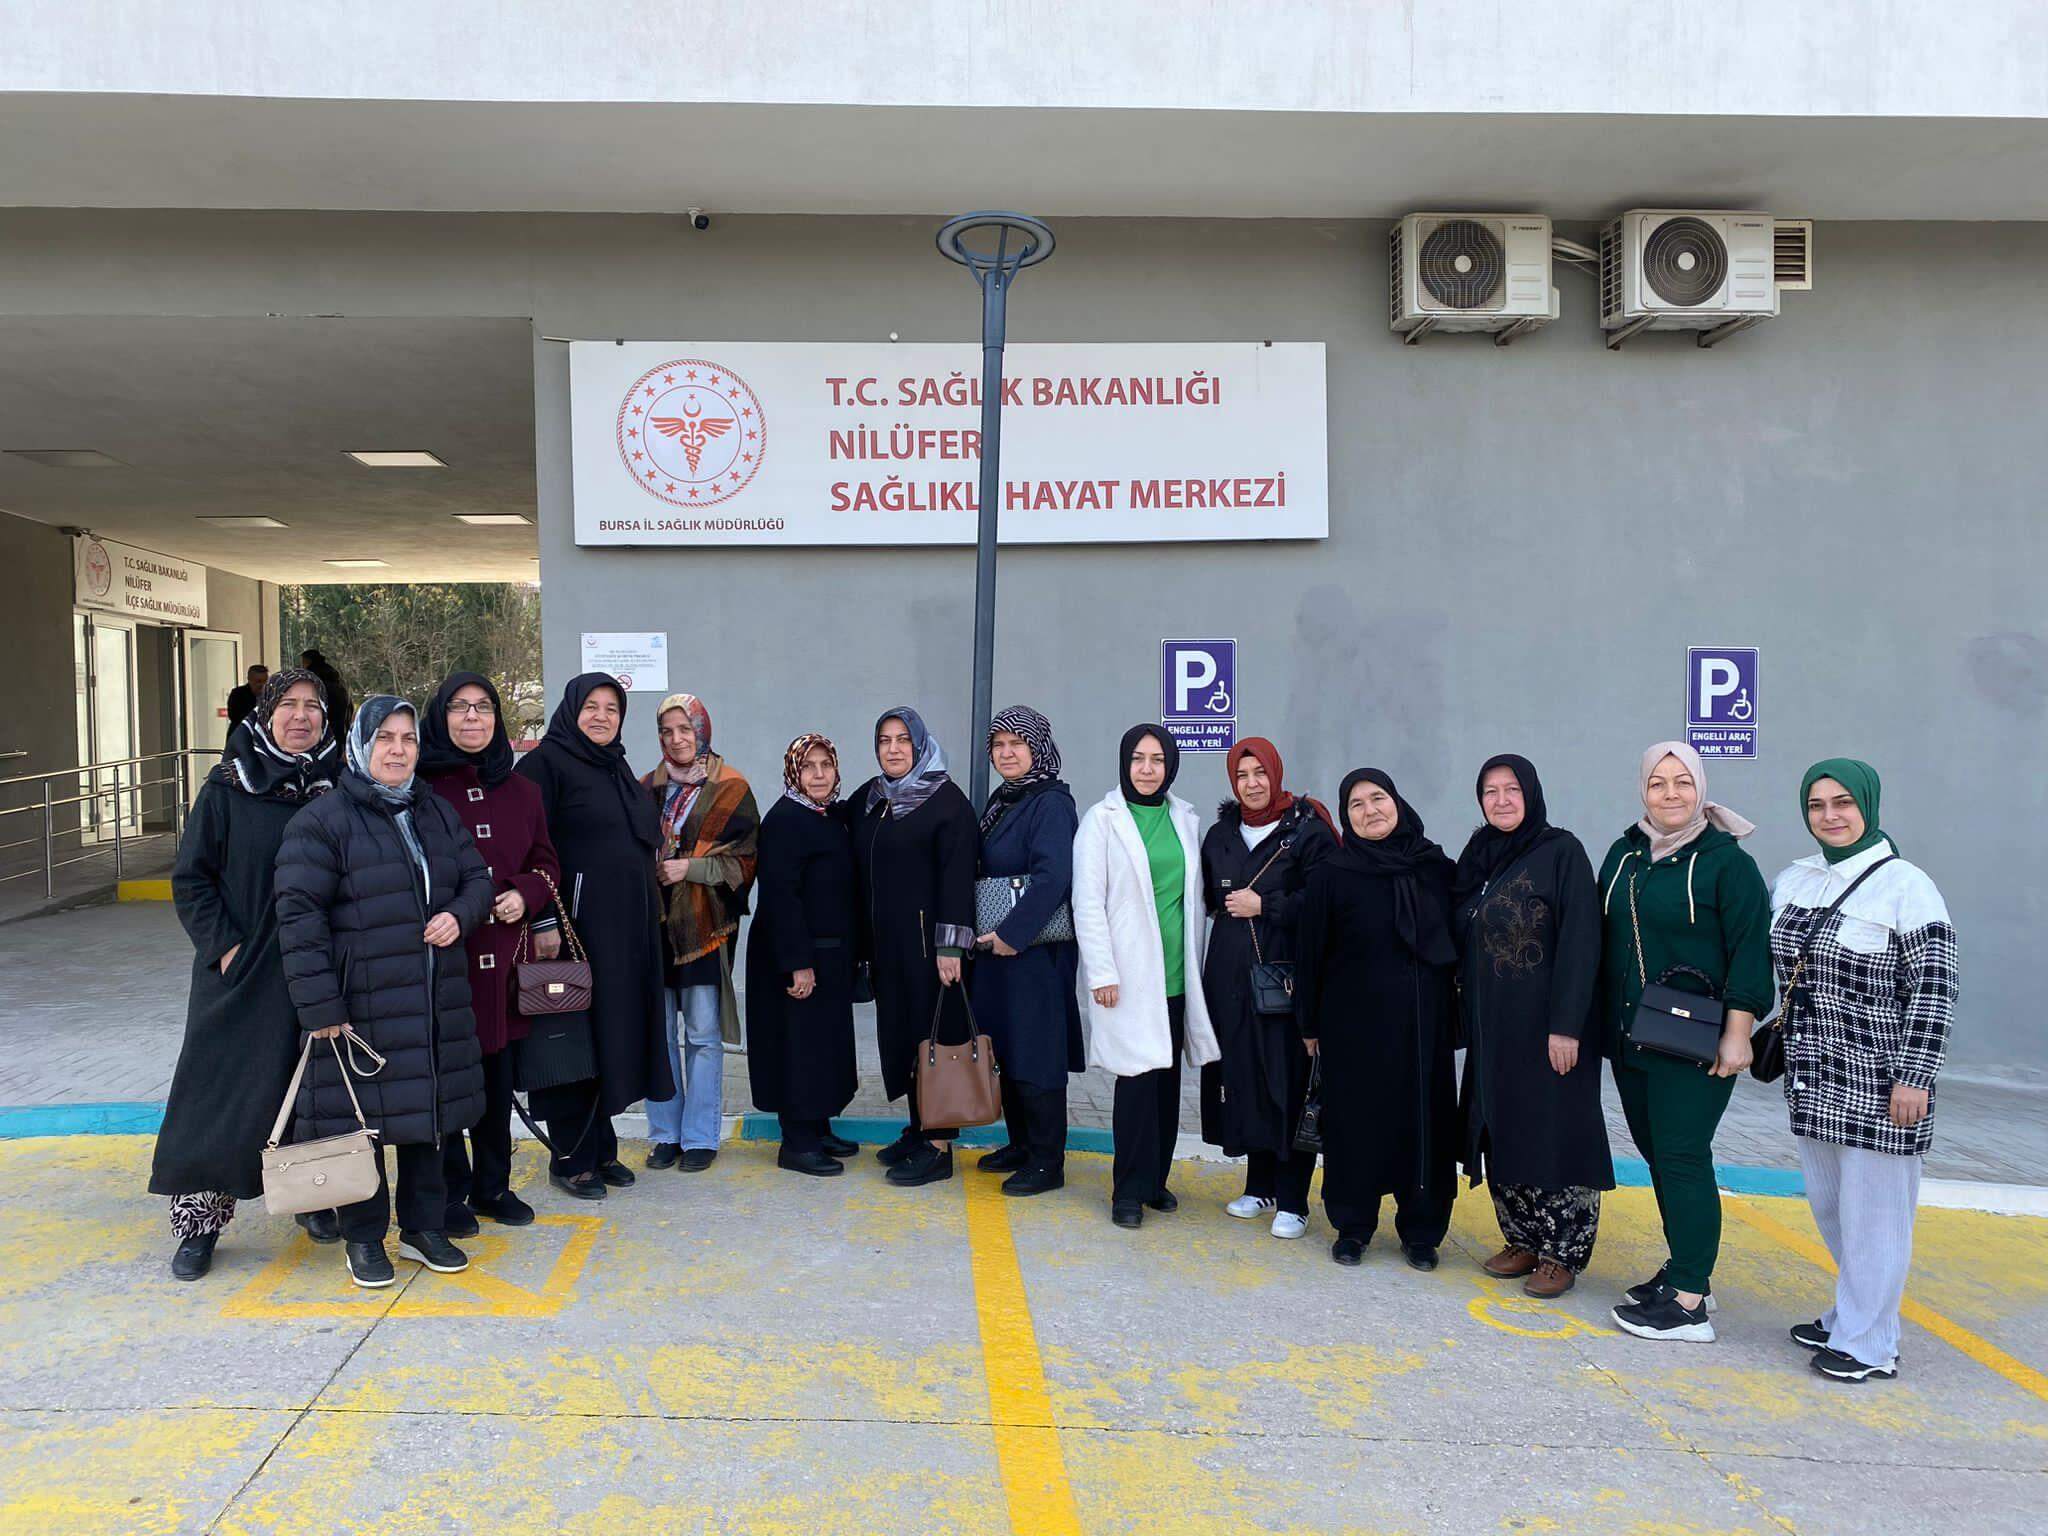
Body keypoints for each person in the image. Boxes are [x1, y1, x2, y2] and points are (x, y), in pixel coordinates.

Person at [275, 696, 495, 1288]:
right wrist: (320, 1007)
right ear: (360, 746)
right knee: (362, 1125)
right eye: (386, 739)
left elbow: (477, 878)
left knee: (429, 1116)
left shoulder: (435, 810)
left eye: (408, 739)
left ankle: (424, 1228)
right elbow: (298, 922)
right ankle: (364, 1239)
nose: (398, 750)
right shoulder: (322, 822)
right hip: (359, 1005)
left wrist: (460, 914)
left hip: (433, 1000)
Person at [150, 668, 342, 1280]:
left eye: (312, 706)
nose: (301, 716)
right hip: (243, 970)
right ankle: (200, 1224)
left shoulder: (340, 785)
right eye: (288, 704)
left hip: (316, 967)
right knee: (219, 1093)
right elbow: (192, 879)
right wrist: (227, 947)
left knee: (312, 1090)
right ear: (264, 713)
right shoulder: (229, 786)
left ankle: (314, 1198)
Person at [1770, 759, 1958, 1382]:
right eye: (1817, 805)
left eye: (1843, 803)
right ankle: (1852, 1313)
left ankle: (1870, 1343)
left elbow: (1935, 989)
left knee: (1876, 1218)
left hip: (1881, 1083)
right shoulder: (1796, 880)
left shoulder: (1907, 886)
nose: (1830, 816)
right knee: (1833, 1209)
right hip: (1813, 1078)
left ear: (1868, 805)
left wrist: (1916, 1077)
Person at [1597, 741, 1773, 1342]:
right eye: (1658, 783)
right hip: (1633, 1036)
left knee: (1683, 1155)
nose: (1670, 793)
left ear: (1700, 789)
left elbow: (1751, 950)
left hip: (1696, 1041)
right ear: (1643, 790)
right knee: (1659, 1155)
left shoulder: (1728, 864)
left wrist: (1738, 1034)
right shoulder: (1625, 854)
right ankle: (1685, 1269)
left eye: (1682, 782)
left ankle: (1691, 1302)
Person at [1452, 754, 1612, 1298]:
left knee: (1554, 1130)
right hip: (1493, 1026)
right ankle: (1521, 1238)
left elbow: (1582, 942)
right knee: (1503, 1129)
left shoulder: (1560, 852)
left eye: (1512, 789)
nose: (1501, 800)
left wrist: (1567, 1025)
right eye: (1490, 791)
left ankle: (1561, 1253)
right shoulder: (1478, 855)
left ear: (1532, 793)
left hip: (1548, 1027)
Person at [514, 674, 671, 1200]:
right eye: (592, 706)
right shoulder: (544, 766)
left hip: (623, 935)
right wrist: (543, 920)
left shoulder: (614, 766)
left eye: (612, 708)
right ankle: (571, 1159)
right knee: (571, 1046)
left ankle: (601, 1149)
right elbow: (528, 850)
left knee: (609, 1039)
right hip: (573, 934)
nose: (602, 716)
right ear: (571, 710)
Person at [1296, 769, 1459, 1270]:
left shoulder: (1435, 867)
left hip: (1423, 1026)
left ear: (1397, 802)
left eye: (1378, 798)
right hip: (1353, 1028)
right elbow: (1311, 952)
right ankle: (1353, 1226)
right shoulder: (1332, 873)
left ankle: (1422, 1231)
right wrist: (1309, 1025)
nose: (1370, 811)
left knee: (1424, 1126)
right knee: (1355, 1125)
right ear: (1346, 818)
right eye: (1356, 805)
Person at [418, 670, 562, 1232]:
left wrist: (524, 895)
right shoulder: (418, 788)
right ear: (441, 716)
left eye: (483, 707)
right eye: (460, 707)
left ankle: (493, 1187)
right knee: (447, 1079)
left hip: (502, 958)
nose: (472, 718)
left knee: (497, 1080)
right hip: (443, 956)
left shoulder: (523, 791)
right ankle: (449, 1193)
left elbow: (546, 863)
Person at [1072, 725, 1219, 1228]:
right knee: (1136, 1084)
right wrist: (1101, 972)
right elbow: (1087, 903)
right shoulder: (1102, 820)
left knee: (1167, 1084)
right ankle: (1127, 1192)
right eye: (1138, 758)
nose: (1148, 769)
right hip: (1128, 976)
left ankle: (1155, 1180)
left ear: (1170, 766)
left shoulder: (1184, 818)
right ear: (1124, 763)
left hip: (1176, 975)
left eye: (1158, 760)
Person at [1198, 737, 1335, 1238]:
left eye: (1260, 773)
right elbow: (1206, 899)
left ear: (1276, 775)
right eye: (1242, 775)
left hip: (1285, 983)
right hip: (1230, 979)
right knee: (1245, 1080)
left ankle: (1294, 1200)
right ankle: (1260, 1186)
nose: (1252, 784)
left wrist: (1267, 906)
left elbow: (1326, 901)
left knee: (1288, 1083)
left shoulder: (1308, 831)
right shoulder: (1221, 835)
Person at [850, 707, 980, 1187]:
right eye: (885, 740)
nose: (893, 749)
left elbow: (958, 877)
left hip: (931, 951)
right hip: (889, 949)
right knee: (905, 1039)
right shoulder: (873, 798)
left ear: (920, 744)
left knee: (935, 1041)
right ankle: (918, 1128)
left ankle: (939, 1147)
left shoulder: (946, 802)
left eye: (903, 740)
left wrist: (952, 947)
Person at [638, 693, 758, 1172]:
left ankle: (701, 1137)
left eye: (685, 729)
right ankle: (666, 1134)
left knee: (703, 1035)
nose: (676, 739)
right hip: (653, 928)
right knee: (660, 1035)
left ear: (702, 731)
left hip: (703, 929)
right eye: (666, 731)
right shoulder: (646, 787)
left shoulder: (731, 787)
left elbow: (744, 862)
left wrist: (689, 868)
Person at [970, 707, 1083, 1196]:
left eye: (1017, 743)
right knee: (1009, 1047)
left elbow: (1053, 877)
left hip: (1035, 952)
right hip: (1002, 952)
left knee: (1037, 1051)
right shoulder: (1005, 799)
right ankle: (1021, 1144)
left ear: (1037, 748)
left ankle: (1047, 1160)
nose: (1007, 753)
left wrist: (1011, 934)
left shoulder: (1050, 802)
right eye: (998, 745)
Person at [748, 734, 863, 1175]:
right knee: (798, 1048)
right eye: (808, 767)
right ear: (793, 772)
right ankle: (797, 1142)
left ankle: (817, 1126)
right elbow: (781, 896)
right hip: (796, 955)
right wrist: (798, 963)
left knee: (823, 1046)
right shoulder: (785, 820)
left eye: (825, 765)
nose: (818, 775)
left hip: (828, 954)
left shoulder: (828, 815)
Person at [299, 649, 354, 734]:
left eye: (303, 662)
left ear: (308, 661)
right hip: (341, 713)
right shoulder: (332, 674)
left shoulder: (312, 677)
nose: (302, 665)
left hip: (329, 717)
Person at [224, 663, 268, 731]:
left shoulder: (270, 694)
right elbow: (234, 716)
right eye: (259, 681)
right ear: (249, 680)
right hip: (241, 733)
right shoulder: (237, 694)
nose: (263, 685)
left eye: (265, 681)